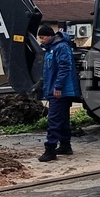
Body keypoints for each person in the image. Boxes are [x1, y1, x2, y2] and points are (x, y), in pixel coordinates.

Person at [36, 22, 80, 162]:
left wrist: (58, 87)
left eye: (42, 37)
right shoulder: (51, 48)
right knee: (62, 118)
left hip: (60, 91)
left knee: (54, 119)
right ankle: (65, 145)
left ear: (49, 36)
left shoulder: (60, 47)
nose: (41, 40)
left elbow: (64, 68)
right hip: (57, 89)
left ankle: (50, 149)